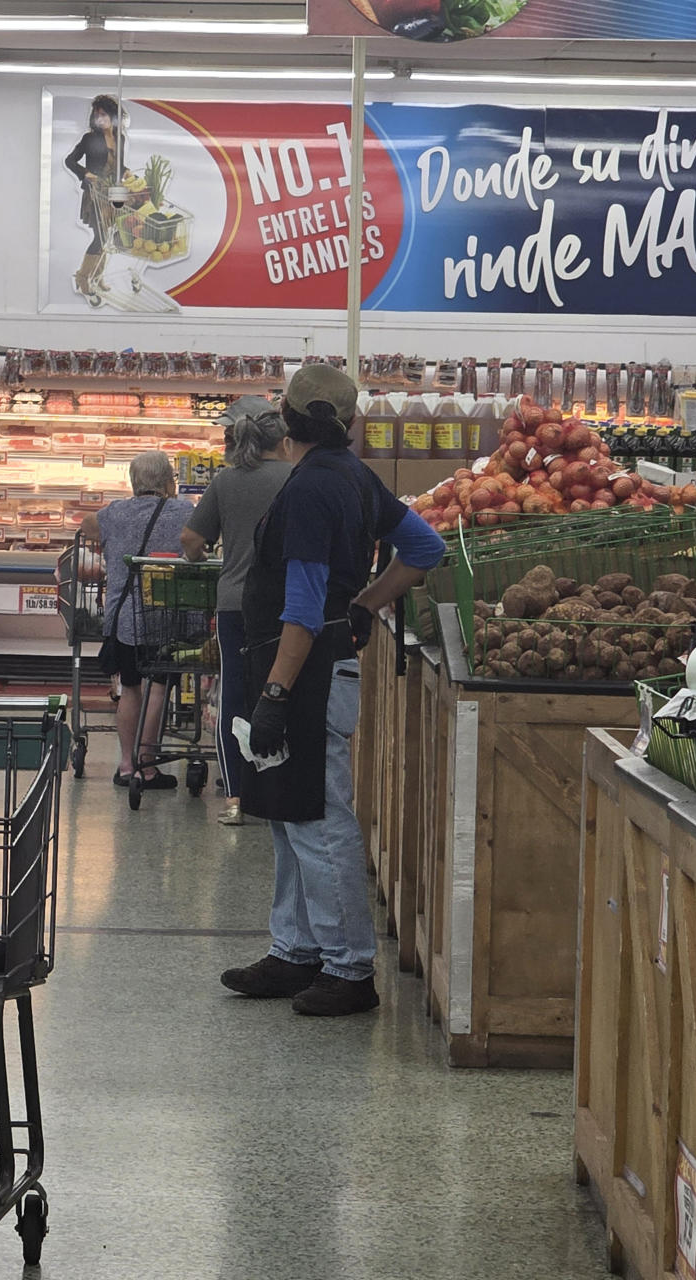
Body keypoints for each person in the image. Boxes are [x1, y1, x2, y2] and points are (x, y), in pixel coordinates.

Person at [220, 365, 446, 1018]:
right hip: (315, 668)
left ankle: (348, 968)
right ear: (351, 425)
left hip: (306, 676)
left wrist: (276, 692)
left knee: (319, 818)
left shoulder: (314, 489)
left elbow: (303, 606)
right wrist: (368, 604)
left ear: (286, 421)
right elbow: (423, 547)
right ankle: (295, 952)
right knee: (292, 815)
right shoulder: (355, 477)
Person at [181, 398, 292, 826]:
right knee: (280, 691)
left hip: (234, 604)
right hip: (286, 603)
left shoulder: (226, 482)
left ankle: (235, 797)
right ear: (282, 441)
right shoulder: (294, 476)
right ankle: (279, 791)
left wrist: (208, 553)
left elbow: (192, 540)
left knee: (235, 694)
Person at [81, 451, 196, 788]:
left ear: (134, 483)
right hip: (165, 615)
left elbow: (88, 525)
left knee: (130, 688)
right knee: (158, 687)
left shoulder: (116, 512)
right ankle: (148, 766)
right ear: (166, 482)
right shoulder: (181, 511)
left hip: (124, 617)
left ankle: (127, 764)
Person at [63, 95, 129, 306]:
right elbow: (69, 160)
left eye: (104, 114)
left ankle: (97, 278)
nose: (100, 118)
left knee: (107, 236)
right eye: (96, 115)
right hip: (95, 193)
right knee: (100, 237)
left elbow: (119, 166)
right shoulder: (89, 139)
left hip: (113, 194)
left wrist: (127, 173)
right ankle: (83, 279)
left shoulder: (120, 138)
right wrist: (85, 173)